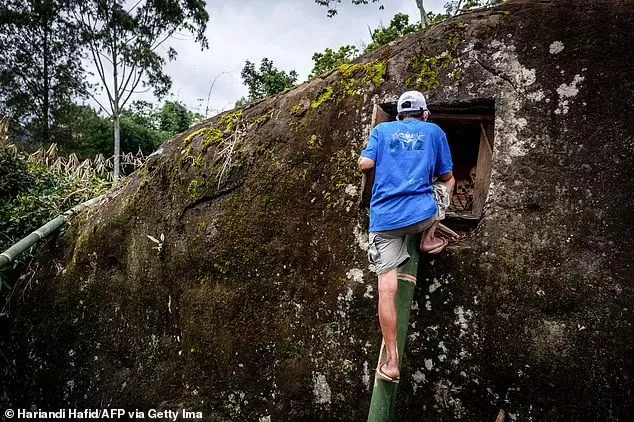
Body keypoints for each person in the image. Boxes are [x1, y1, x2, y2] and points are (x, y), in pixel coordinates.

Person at [358, 90, 455, 383]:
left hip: (385, 221)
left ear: (399, 115)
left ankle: (391, 362)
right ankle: (429, 237)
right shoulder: (434, 131)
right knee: (447, 184)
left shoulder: (382, 130)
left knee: (387, 290)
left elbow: (365, 164)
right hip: (421, 215)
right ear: (424, 114)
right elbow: (447, 175)